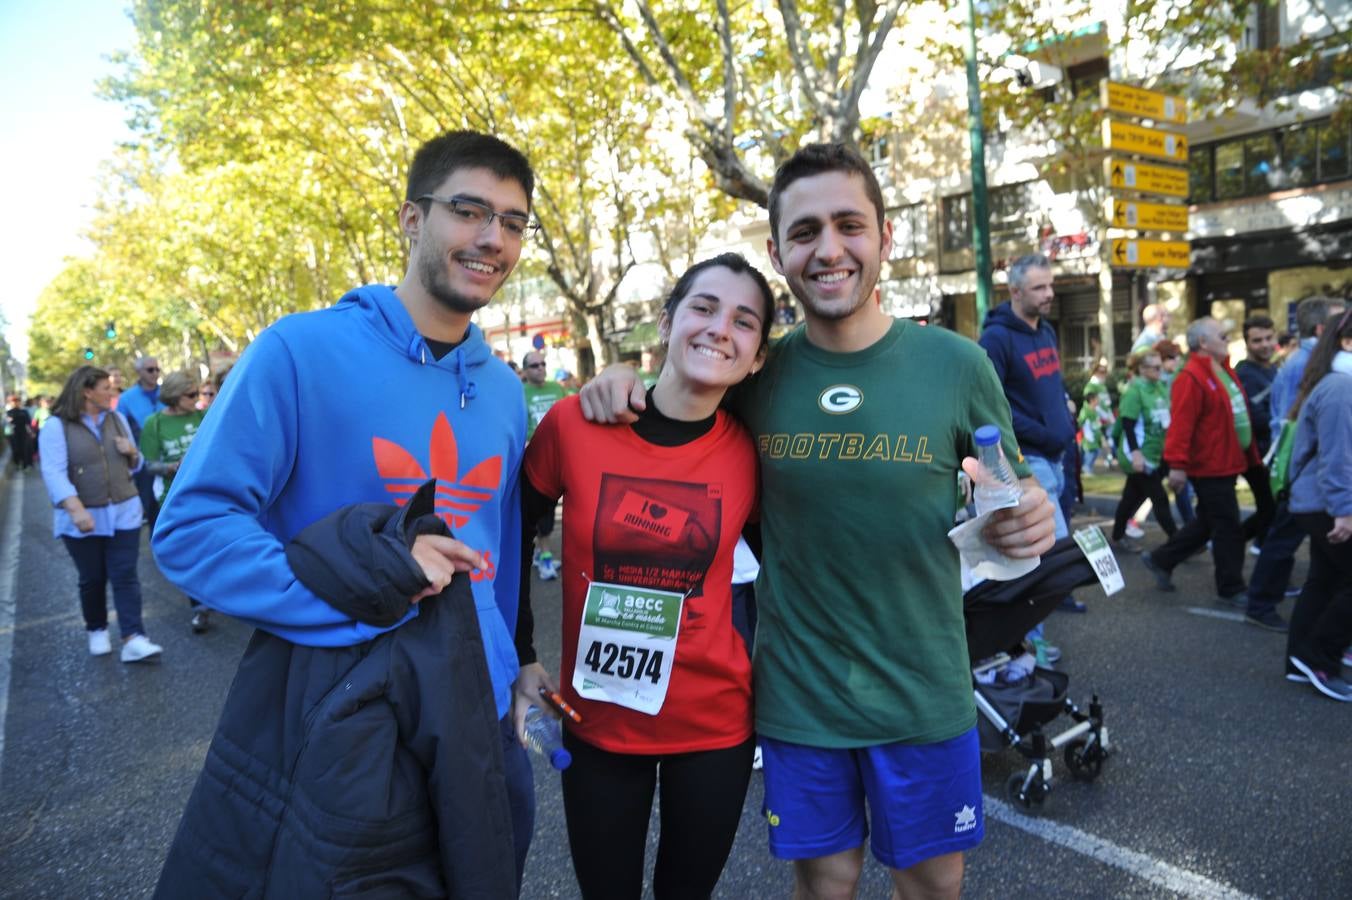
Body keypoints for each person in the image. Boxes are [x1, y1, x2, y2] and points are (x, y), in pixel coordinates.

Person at [578, 142, 1055, 900]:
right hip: (800, 693)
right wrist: (617, 378)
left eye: (849, 225)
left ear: (884, 238)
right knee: (825, 884)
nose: (828, 249)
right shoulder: (757, 378)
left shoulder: (957, 365)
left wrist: (1031, 516)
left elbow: (1013, 488)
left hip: (923, 687)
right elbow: (677, 401)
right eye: (805, 233)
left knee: (933, 884)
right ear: (778, 252)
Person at [150, 131, 538, 898]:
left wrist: (517, 660)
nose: (493, 237)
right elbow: (192, 531)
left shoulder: (502, 388)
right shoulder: (298, 350)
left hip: (483, 721)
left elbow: (505, 547)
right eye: (469, 210)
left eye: (514, 221)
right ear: (410, 220)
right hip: (350, 721)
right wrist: (368, 595)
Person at [514, 253, 770, 900]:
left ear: (758, 356)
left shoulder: (751, 450)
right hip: (599, 718)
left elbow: (789, 566)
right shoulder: (575, 423)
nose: (720, 329)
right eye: (703, 308)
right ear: (666, 322)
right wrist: (520, 654)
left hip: (715, 725)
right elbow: (515, 532)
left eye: (744, 321)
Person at [979, 254, 1084, 622]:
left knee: (1056, 540)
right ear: (1015, 291)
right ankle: (1027, 636)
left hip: (1060, 452)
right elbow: (992, 404)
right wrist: (1042, 431)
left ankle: (1054, 601)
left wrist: (1065, 413)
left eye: (1050, 285)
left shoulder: (1046, 330)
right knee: (1044, 548)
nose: (1049, 293)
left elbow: (1050, 387)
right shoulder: (997, 339)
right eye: (1039, 287)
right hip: (1029, 457)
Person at [37, 366, 162, 663]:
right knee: (92, 577)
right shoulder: (57, 426)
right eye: (106, 388)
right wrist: (76, 508)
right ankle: (97, 628)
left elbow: (135, 465)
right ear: (86, 390)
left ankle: (134, 637)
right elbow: (53, 472)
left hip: (124, 510)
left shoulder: (116, 418)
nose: (112, 392)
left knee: (125, 575)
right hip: (83, 516)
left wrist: (132, 453)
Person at [1244, 295, 1348, 632]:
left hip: (1303, 468)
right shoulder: (1307, 364)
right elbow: (1295, 422)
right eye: (1337, 320)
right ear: (1323, 328)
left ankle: (1287, 614)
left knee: (1303, 549)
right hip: (1302, 469)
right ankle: (1261, 603)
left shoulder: (1308, 360)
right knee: (1283, 538)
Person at [1142, 318, 1262, 603]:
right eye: (1222, 335)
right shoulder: (1191, 376)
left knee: (1209, 521)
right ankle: (1231, 587)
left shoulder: (1221, 368)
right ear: (1203, 343)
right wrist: (1178, 466)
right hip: (1210, 466)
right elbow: (1181, 425)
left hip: (1228, 461)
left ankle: (1162, 559)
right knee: (1227, 526)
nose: (1228, 338)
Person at [1282, 306, 1352, 699]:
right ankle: (1321, 659)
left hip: (1317, 501)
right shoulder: (1342, 387)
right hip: (1326, 504)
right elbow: (1337, 457)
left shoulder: (1336, 382)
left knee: (1325, 579)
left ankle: (1299, 660)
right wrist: (1345, 511)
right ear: (1346, 342)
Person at [138, 370, 210, 633]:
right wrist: (172, 467)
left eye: (197, 394)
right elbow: (147, 465)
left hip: (211, 494)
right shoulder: (154, 423)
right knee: (191, 552)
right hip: (176, 497)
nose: (196, 399)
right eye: (191, 395)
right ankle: (199, 607)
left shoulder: (204, 416)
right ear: (174, 396)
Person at [1109, 350, 1176, 552]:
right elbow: (1128, 425)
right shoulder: (1134, 391)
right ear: (1142, 369)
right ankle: (1179, 541)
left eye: (1160, 366)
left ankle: (1117, 536)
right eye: (1155, 367)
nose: (1160, 370)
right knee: (1159, 497)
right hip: (1138, 455)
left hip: (1155, 453)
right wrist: (1136, 454)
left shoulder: (1159, 387)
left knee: (1132, 496)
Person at [522, 349, 569, 579]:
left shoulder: (557, 388)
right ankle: (545, 558)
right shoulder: (520, 392)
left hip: (559, 458)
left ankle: (542, 554)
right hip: (532, 459)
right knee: (540, 514)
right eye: (534, 365)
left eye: (542, 364)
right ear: (525, 371)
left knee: (550, 510)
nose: (540, 368)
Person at [117, 356, 165, 526]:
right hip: (145, 461)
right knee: (152, 505)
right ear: (139, 372)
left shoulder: (167, 392)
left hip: (171, 456)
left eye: (157, 369)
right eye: (150, 370)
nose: (155, 373)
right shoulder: (126, 398)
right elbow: (121, 429)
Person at [1235, 314, 1278, 458]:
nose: (1265, 344)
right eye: (1257, 341)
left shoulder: (1272, 368)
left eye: (1269, 338)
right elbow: (1258, 421)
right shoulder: (1244, 374)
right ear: (1246, 343)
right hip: (1261, 456)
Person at [6, 395, 33, 470]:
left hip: (23, 432)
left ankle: (25, 465)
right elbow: (8, 423)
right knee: (15, 449)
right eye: (13, 401)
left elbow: (28, 423)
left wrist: (31, 432)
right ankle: (17, 463)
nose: (15, 403)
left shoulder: (24, 412)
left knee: (24, 448)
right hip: (13, 433)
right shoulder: (9, 412)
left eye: (17, 401)